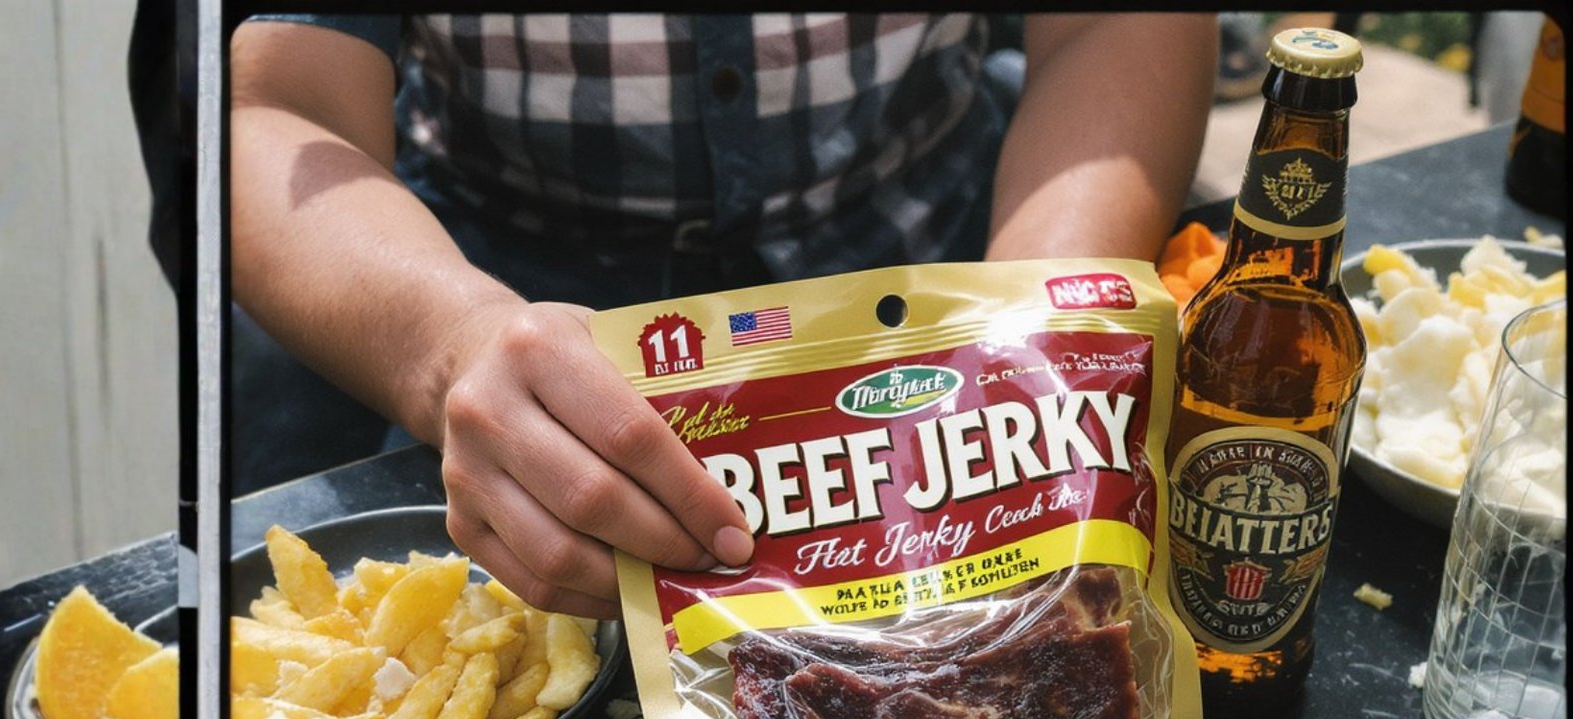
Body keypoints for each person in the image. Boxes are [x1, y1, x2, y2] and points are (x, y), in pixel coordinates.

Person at [230, 13, 1216, 617]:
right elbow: (277, 108)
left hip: (939, 280)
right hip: (512, 330)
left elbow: (1110, 23)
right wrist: (449, 345)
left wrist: (1023, 348)